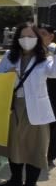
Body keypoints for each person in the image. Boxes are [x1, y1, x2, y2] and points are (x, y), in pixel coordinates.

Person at [0, 23, 56, 186]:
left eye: (31, 36)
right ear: (17, 38)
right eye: (22, 36)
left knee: (34, 148)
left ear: (37, 38)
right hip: (13, 106)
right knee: (14, 145)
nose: (26, 40)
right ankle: (15, 180)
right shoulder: (9, 56)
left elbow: (54, 72)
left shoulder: (45, 58)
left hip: (36, 109)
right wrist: (7, 74)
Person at [37, 24, 56, 166]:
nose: (39, 37)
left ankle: (50, 155)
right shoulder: (31, 51)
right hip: (41, 90)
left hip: (53, 89)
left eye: (43, 34)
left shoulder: (52, 49)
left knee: (53, 123)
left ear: (51, 36)